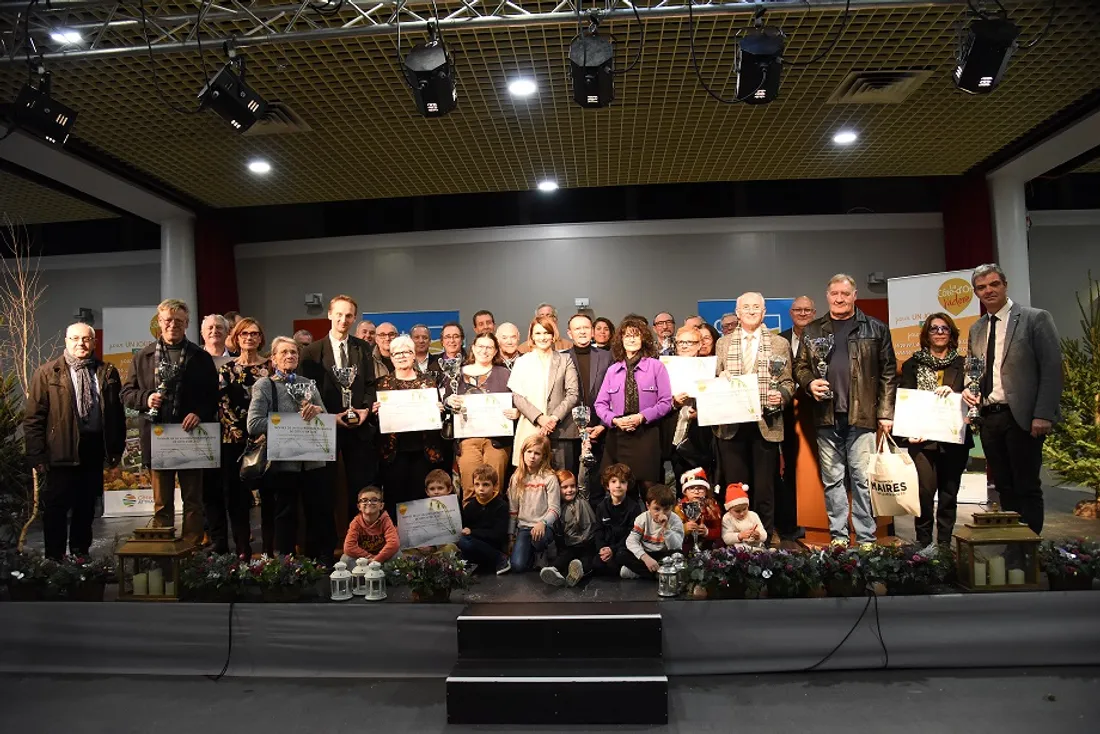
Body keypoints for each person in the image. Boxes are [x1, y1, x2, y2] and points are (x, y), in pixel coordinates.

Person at [795, 274, 897, 546]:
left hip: (863, 416)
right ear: (827, 296)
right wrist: (809, 383)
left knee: (862, 480)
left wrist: (886, 413)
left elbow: (888, 372)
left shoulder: (876, 328)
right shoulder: (813, 330)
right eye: (834, 294)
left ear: (854, 296)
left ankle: (865, 538)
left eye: (844, 293)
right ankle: (838, 537)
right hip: (826, 416)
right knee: (832, 481)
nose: (839, 298)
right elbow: (800, 367)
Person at [963, 263, 1062, 535]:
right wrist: (969, 389)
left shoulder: (1035, 318)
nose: (989, 291)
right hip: (989, 417)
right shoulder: (977, 328)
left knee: (1026, 485)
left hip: (1024, 416)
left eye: (994, 284)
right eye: (982, 287)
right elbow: (974, 369)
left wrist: (1043, 414)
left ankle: (1030, 551)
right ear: (976, 293)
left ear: (1005, 285)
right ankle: (1013, 546)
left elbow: (1052, 369)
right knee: (1003, 486)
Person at [122, 299, 219, 549]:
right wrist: (146, 398)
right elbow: (127, 393)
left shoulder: (201, 357)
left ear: (187, 324)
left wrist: (199, 412)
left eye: (178, 320)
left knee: (193, 500)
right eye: (168, 320)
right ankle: (163, 550)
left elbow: (213, 396)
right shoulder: (143, 357)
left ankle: (191, 549)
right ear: (159, 322)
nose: (172, 325)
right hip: (158, 436)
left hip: (192, 436)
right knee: (162, 502)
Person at [24, 322, 125, 560]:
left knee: (86, 507)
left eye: (86, 339)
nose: (81, 343)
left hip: (93, 449)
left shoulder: (107, 372)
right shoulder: (47, 373)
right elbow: (33, 418)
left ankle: (81, 555)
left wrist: (116, 448)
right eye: (75, 339)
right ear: (66, 342)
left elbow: (116, 415)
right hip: (60, 451)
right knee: (56, 509)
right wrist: (37, 455)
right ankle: (54, 559)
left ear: (94, 342)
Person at [713, 292, 794, 544]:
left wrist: (780, 395)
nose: (750, 311)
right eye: (745, 307)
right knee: (737, 488)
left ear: (764, 311)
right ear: (737, 312)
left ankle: (765, 538)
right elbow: (715, 380)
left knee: (765, 488)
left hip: (765, 423)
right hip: (732, 426)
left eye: (755, 307)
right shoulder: (723, 344)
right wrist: (720, 381)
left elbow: (788, 383)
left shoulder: (780, 343)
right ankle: (738, 540)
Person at [248, 336, 331, 561]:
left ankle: (318, 561)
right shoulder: (265, 385)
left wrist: (317, 411)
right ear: (273, 358)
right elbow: (253, 424)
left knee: (317, 512)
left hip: (313, 461)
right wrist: (289, 422)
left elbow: (325, 415)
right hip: (284, 463)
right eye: (283, 352)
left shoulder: (308, 383)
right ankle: (286, 562)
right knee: (285, 515)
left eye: (293, 352)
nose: (290, 356)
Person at [300, 295, 378, 526]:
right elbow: (306, 393)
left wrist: (364, 410)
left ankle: (361, 540)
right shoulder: (312, 351)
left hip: (358, 429)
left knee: (360, 488)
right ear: (330, 315)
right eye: (339, 314)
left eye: (349, 315)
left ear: (354, 318)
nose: (343, 320)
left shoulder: (363, 348)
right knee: (324, 489)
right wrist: (330, 417)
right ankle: (326, 547)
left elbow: (371, 385)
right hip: (325, 428)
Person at [897, 313, 973, 549]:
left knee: (949, 494)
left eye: (944, 329)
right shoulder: (911, 365)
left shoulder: (965, 365)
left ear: (951, 334)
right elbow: (905, 401)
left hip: (954, 437)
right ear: (926, 335)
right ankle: (923, 542)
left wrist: (957, 395)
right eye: (934, 329)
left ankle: (943, 543)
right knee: (924, 493)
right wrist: (907, 433)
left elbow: (973, 397)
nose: (939, 333)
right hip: (922, 440)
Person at [595, 315, 673, 500]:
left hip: (646, 434)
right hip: (619, 435)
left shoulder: (656, 367)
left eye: (635, 335)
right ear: (620, 340)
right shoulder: (613, 370)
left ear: (643, 339)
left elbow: (665, 402)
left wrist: (641, 417)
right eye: (627, 335)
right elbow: (600, 404)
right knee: (621, 490)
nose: (631, 339)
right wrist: (614, 420)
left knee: (649, 489)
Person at [211, 317, 270, 557]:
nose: (249, 338)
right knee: (236, 498)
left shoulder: (271, 367)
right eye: (244, 334)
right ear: (236, 338)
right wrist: (241, 433)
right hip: (233, 441)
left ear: (260, 338)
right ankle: (242, 548)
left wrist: (262, 432)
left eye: (254, 334)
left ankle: (269, 550)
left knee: (269, 496)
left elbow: (277, 403)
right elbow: (222, 403)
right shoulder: (227, 368)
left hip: (267, 439)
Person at [372, 335, 447, 521]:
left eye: (406, 352)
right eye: (396, 353)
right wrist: (375, 412)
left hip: (423, 451)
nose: (401, 356)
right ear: (390, 357)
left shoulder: (429, 382)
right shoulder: (382, 384)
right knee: (395, 496)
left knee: (420, 497)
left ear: (414, 355)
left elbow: (439, 417)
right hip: (393, 452)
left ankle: (421, 543)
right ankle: (396, 542)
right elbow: (375, 423)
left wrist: (440, 410)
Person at [444, 332, 518, 500]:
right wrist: (450, 400)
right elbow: (445, 400)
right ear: (473, 348)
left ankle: (495, 526)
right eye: (481, 346)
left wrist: (517, 412)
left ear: (495, 351)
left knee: (495, 488)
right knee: (470, 489)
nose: (484, 351)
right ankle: (471, 526)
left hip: (497, 441)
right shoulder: (457, 373)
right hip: (467, 439)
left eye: (489, 347)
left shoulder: (505, 374)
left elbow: (518, 400)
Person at [508, 315, 580, 470]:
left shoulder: (565, 359)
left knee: (562, 480)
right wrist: (540, 418)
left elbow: (573, 393)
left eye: (547, 333)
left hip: (560, 431)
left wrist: (553, 419)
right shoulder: (522, 361)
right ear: (532, 336)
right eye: (538, 333)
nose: (543, 337)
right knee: (531, 482)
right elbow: (517, 396)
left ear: (553, 335)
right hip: (530, 428)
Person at [776, 296, 817, 540]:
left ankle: (815, 519)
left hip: (815, 412)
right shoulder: (780, 339)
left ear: (814, 312)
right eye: (798, 310)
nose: (803, 313)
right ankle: (790, 521)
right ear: (791, 313)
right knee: (789, 467)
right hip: (785, 413)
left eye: (807, 310)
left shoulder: (824, 336)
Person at [563, 313, 614, 492]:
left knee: (599, 482)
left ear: (592, 331)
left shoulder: (607, 357)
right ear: (570, 333)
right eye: (577, 328)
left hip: (601, 428)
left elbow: (614, 393)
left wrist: (602, 424)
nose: (582, 332)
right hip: (571, 430)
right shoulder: (562, 358)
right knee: (571, 480)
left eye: (586, 328)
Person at [507, 434, 561, 572]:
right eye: (529, 452)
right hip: (524, 528)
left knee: (539, 538)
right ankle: (531, 553)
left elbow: (555, 509)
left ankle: (543, 549)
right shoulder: (516, 478)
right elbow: (513, 510)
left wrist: (543, 523)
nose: (532, 456)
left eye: (537, 453)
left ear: (543, 456)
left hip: (543, 526)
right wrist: (511, 536)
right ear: (523, 453)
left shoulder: (549, 478)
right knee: (517, 566)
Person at [669, 325, 714, 485]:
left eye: (690, 342)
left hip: (699, 438)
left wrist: (702, 412)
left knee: (699, 485)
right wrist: (673, 402)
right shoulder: (665, 368)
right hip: (672, 434)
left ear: (699, 344)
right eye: (680, 342)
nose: (684, 345)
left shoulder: (710, 368)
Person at [541, 469, 597, 587]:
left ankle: (579, 571)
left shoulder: (582, 497)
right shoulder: (557, 508)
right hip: (571, 544)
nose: (569, 490)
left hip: (588, 542)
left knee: (588, 560)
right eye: (564, 487)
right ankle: (554, 570)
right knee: (565, 556)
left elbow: (583, 478)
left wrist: (583, 458)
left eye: (572, 486)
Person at [619, 484, 684, 579]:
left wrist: (666, 529)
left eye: (666, 509)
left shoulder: (675, 520)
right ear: (648, 506)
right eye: (657, 509)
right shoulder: (642, 518)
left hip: (664, 556)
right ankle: (660, 574)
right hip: (647, 554)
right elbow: (631, 541)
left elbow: (675, 547)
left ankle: (642, 573)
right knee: (621, 554)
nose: (661, 514)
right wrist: (645, 558)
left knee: (678, 554)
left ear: (671, 507)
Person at [458, 464, 511, 574]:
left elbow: (498, 534)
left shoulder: (501, 505)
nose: (481, 489)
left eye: (485, 485)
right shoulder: (470, 506)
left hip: (493, 545)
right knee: (462, 541)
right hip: (475, 544)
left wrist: (472, 532)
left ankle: (501, 558)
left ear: (495, 485)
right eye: (477, 484)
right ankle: (471, 564)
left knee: (466, 541)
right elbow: (465, 528)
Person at [591, 463, 640, 577]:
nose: (618, 485)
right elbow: (598, 531)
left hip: (623, 548)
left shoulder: (634, 507)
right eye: (614, 481)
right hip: (607, 548)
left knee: (621, 556)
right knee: (596, 564)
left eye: (622, 482)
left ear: (628, 485)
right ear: (607, 485)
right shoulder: (601, 507)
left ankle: (628, 570)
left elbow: (632, 534)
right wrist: (602, 549)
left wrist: (613, 549)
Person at [407, 470, 460, 556]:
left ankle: (435, 564)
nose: (436, 492)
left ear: (449, 489)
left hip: (441, 549)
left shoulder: (453, 510)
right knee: (403, 550)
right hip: (422, 548)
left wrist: (434, 546)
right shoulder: (419, 509)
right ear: (427, 491)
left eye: (440, 488)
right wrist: (419, 545)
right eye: (432, 489)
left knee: (451, 547)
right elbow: (413, 533)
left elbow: (455, 537)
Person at [342, 486, 399, 564]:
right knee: (345, 559)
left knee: (398, 555)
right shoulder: (356, 522)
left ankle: (387, 575)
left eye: (374, 500)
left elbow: (394, 543)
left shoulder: (386, 520)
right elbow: (348, 547)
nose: (369, 503)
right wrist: (370, 558)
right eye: (364, 500)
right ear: (359, 506)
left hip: (382, 558)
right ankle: (359, 576)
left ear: (381, 506)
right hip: (364, 560)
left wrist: (377, 559)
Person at [673, 468, 722, 554]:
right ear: (685, 492)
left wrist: (707, 532)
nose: (696, 492)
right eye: (691, 488)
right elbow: (672, 533)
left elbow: (720, 531)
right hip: (686, 547)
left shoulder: (712, 507)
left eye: (700, 488)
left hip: (708, 546)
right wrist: (684, 528)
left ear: (706, 491)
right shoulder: (679, 509)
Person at [720, 483, 766, 550]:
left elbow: (764, 534)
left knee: (761, 547)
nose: (742, 513)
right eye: (737, 511)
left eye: (744, 509)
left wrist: (758, 535)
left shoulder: (753, 515)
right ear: (729, 510)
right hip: (737, 548)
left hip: (755, 545)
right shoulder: (727, 518)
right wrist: (739, 536)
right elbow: (726, 538)